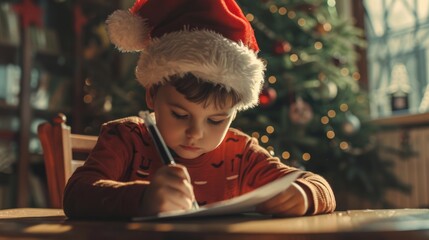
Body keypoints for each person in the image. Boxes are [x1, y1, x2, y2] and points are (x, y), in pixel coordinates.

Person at [63, 0, 336, 218]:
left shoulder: (240, 153)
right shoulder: (125, 139)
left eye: (216, 120)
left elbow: (318, 185)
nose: (196, 132)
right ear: (152, 94)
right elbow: (76, 195)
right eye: (180, 115)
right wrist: (144, 199)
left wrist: (303, 195)